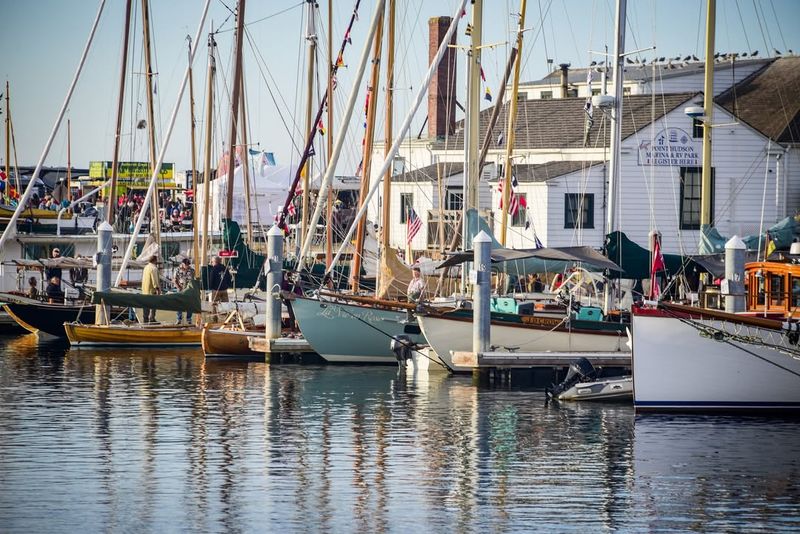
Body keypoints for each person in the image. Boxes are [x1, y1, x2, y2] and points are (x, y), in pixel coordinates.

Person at [174, 258, 196, 324]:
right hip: (180, 288)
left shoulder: (192, 270)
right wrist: (178, 286)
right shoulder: (177, 270)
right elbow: (174, 279)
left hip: (189, 289)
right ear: (182, 264)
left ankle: (189, 319)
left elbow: (193, 280)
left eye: (188, 264)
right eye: (186, 264)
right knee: (179, 304)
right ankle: (179, 319)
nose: (187, 266)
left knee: (190, 304)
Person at [141, 255, 160, 323]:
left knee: (145, 306)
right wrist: (157, 289)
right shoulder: (154, 268)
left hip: (145, 290)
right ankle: (152, 318)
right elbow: (154, 279)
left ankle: (145, 319)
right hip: (151, 290)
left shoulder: (146, 267)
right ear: (155, 260)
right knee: (153, 305)